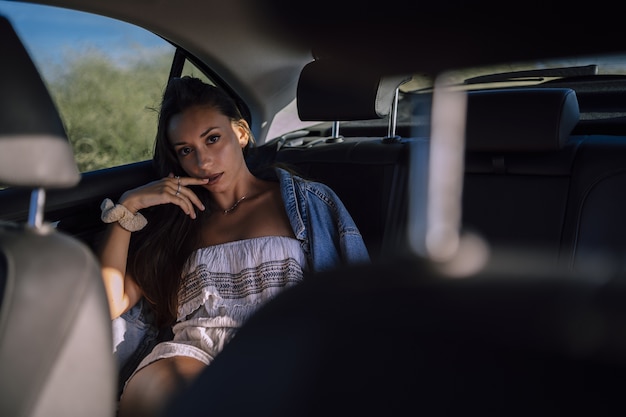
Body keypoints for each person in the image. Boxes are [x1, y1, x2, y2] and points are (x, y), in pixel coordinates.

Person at [98, 76, 370, 417]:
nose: (203, 162)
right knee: (169, 389)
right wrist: (128, 207)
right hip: (190, 354)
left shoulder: (307, 202)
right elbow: (107, 303)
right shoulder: (175, 223)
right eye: (186, 150)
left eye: (213, 139)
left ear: (240, 133)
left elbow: (360, 300)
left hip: (282, 351)